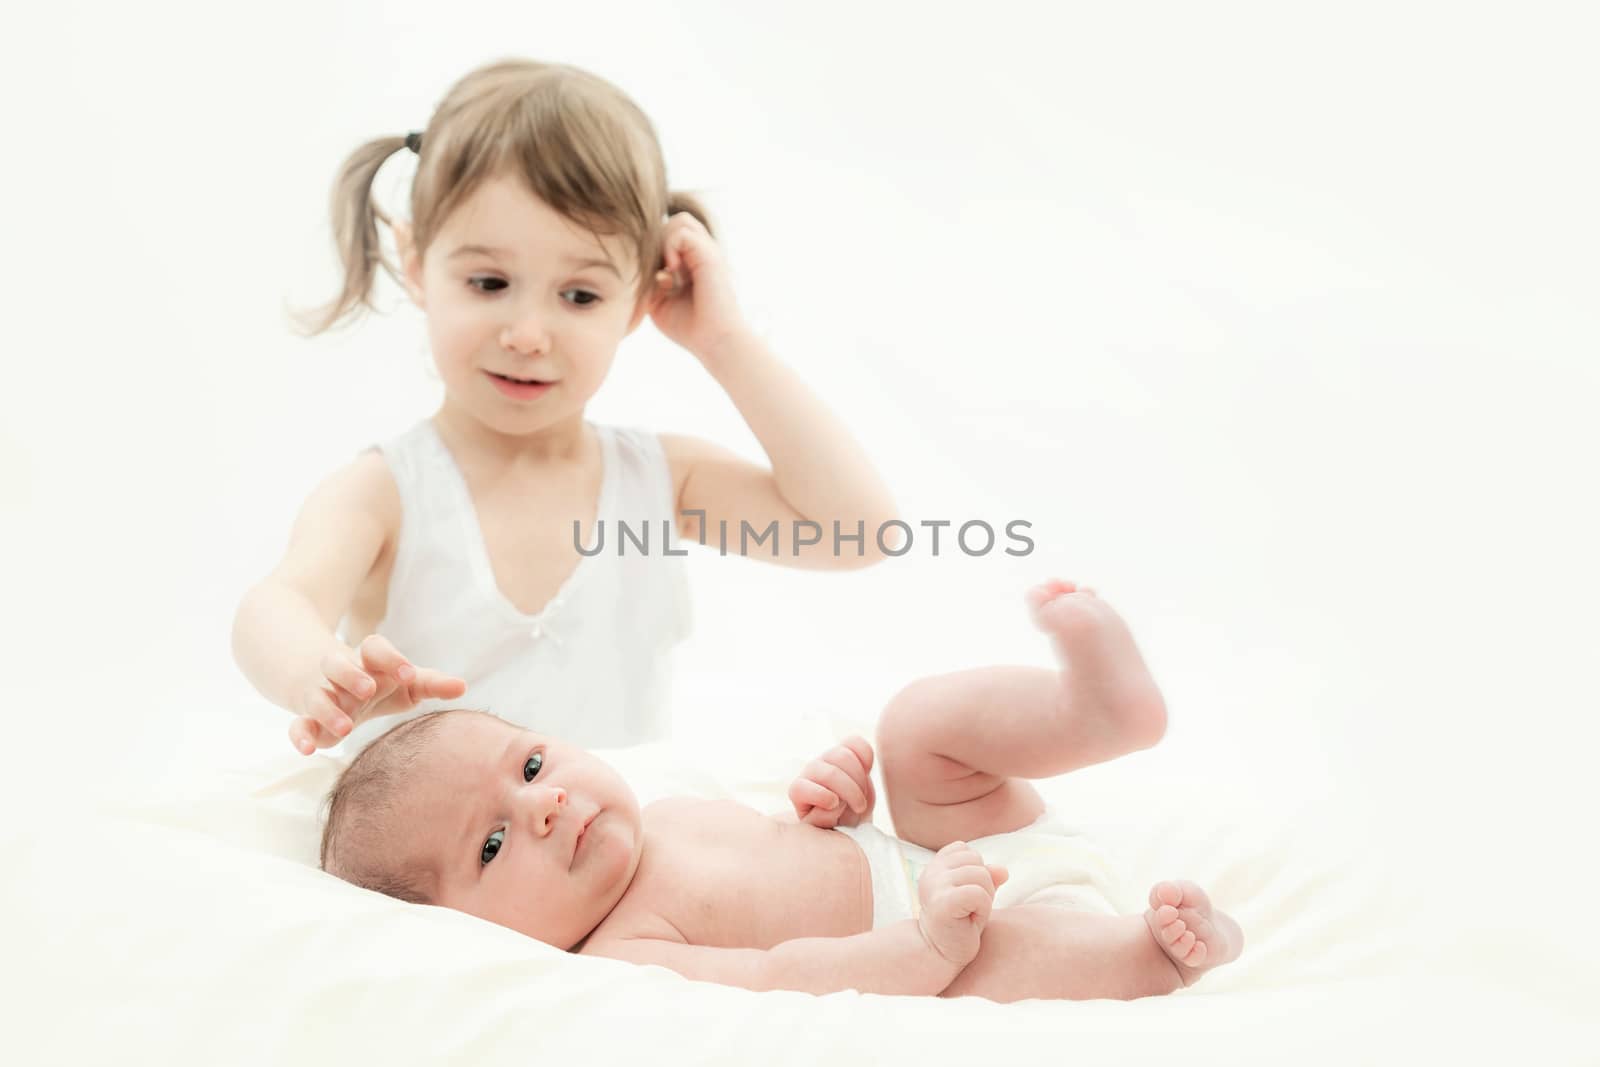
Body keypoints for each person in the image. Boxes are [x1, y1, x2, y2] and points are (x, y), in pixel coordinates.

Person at [231, 58, 898, 756]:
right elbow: (276, 605)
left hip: (613, 843)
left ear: (642, 299)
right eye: (489, 282)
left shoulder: (660, 480)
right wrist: (313, 669)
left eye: (580, 295)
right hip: (438, 854)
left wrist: (724, 342)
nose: (527, 335)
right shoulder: (388, 492)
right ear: (417, 262)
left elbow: (857, 531)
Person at [318, 580, 1244, 1000]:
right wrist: (924, 944)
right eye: (492, 844)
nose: (545, 803)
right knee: (1004, 973)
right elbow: (779, 976)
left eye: (528, 767)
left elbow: (793, 848)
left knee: (914, 726)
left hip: (929, 846)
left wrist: (828, 803)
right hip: (941, 938)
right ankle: (1159, 952)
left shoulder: (666, 811)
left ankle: (1093, 713)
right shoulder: (625, 952)